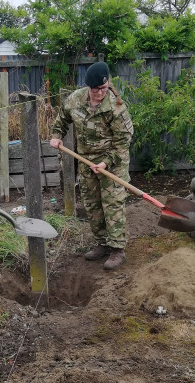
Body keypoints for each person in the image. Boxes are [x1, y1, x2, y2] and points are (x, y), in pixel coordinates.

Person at [50, 61, 134, 270]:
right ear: (89, 87)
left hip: (113, 163)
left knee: (112, 205)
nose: (100, 93)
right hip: (86, 161)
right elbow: (62, 118)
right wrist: (57, 135)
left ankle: (117, 249)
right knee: (92, 204)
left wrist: (106, 162)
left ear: (108, 85)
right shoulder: (75, 100)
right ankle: (102, 244)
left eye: (104, 88)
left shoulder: (117, 107)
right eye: (96, 89)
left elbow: (123, 141)